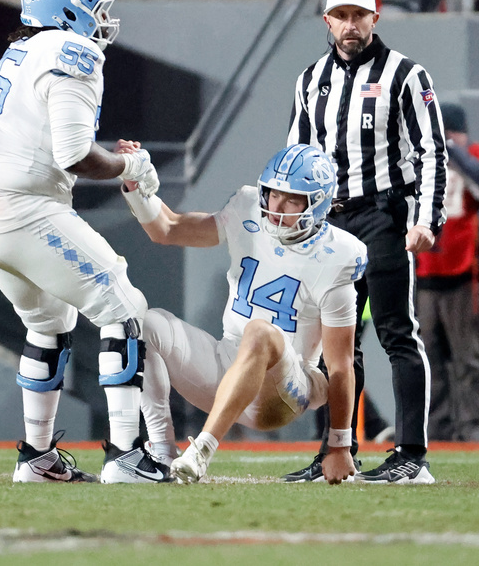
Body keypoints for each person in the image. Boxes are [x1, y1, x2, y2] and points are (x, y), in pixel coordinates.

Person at [0, 0, 165, 484]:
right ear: (67, 5)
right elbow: (75, 154)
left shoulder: (23, 49)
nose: (103, 17)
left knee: (49, 323)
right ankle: (125, 456)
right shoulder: (73, 49)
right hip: (20, 205)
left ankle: (37, 457)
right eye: (96, 5)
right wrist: (130, 165)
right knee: (124, 306)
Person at [126, 144, 364, 484]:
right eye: (272, 194)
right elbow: (168, 228)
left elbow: (340, 366)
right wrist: (136, 188)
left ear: (318, 204)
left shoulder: (337, 255)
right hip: (227, 361)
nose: (276, 209)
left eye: (292, 200)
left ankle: (202, 450)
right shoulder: (248, 208)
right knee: (145, 322)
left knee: (261, 332)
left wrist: (339, 445)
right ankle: (162, 451)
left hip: (283, 390)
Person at [285, 0, 444, 484]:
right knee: (336, 342)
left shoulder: (405, 74)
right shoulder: (310, 79)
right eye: (341, 16)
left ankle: (411, 455)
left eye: (360, 15)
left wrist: (425, 219)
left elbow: (432, 150)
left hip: (384, 214)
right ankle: (337, 451)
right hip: (330, 221)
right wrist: (295, 225)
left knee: (397, 330)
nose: (351, 25)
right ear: (327, 21)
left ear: (376, 19)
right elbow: (298, 156)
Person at [415, 103, 479, 442]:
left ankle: (471, 430)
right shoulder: (427, 162)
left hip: (460, 277)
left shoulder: (470, 155)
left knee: (467, 360)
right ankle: (437, 431)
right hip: (427, 276)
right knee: (430, 360)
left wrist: (452, 149)